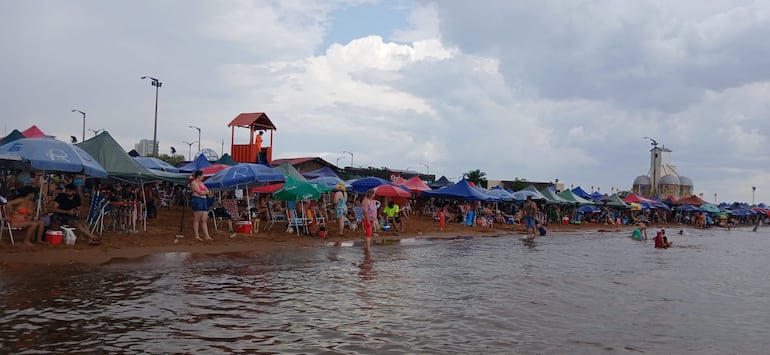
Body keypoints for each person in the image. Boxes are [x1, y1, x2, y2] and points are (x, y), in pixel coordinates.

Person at [190, 170, 212, 241]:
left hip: (203, 200)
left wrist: (205, 192)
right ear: (199, 176)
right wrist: (205, 192)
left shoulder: (201, 183)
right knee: (197, 218)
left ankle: (207, 235)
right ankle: (197, 235)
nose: (203, 177)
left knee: (204, 219)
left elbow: (206, 192)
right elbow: (201, 192)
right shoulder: (194, 183)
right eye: (202, 175)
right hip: (197, 199)